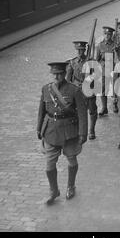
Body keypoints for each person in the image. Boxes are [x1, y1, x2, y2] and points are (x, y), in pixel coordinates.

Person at [37, 62, 88, 205]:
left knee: (72, 160)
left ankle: (71, 186)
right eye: (54, 74)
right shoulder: (46, 89)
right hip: (51, 132)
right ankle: (54, 190)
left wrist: (82, 133)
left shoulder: (74, 90)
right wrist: (38, 129)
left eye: (59, 73)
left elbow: (83, 114)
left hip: (69, 132)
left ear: (65, 73)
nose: (56, 76)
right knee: (49, 166)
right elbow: (41, 110)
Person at [66, 41, 98, 140]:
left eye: (82, 50)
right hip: (77, 89)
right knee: (76, 111)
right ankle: (79, 130)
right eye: (78, 50)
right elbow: (68, 78)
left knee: (92, 110)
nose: (80, 52)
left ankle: (91, 130)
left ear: (85, 50)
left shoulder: (91, 61)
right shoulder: (72, 62)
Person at [96, 26, 117, 116]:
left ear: (112, 35)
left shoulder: (115, 45)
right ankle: (104, 108)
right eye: (105, 34)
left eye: (109, 34)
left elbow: (119, 58)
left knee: (115, 89)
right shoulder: (100, 45)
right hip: (104, 70)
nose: (107, 36)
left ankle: (115, 105)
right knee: (103, 89)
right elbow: (97, 59)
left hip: (113, 69)